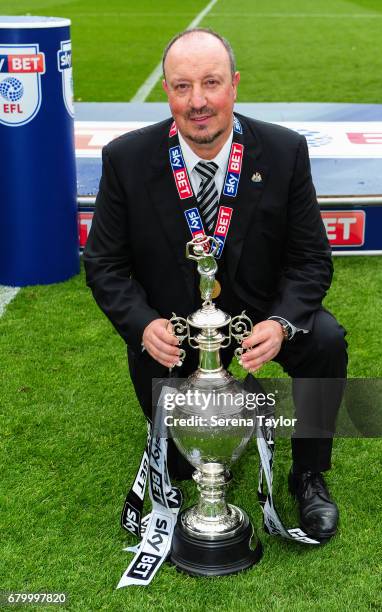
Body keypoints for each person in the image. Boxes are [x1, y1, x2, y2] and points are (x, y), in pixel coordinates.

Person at [84, 28, 348, 541]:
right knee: (186, 468)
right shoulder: (126, 159)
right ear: (168, 91)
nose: (198, 101)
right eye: (183, 87)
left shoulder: (284, 151)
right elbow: (104, 264)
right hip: (177, 334)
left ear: (234, 85)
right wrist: (144, 325)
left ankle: (309, 474)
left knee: (325, 340)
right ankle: (202, 443)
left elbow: (312, 258)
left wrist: (281, 323)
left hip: (258, 325)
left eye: (211, 83)